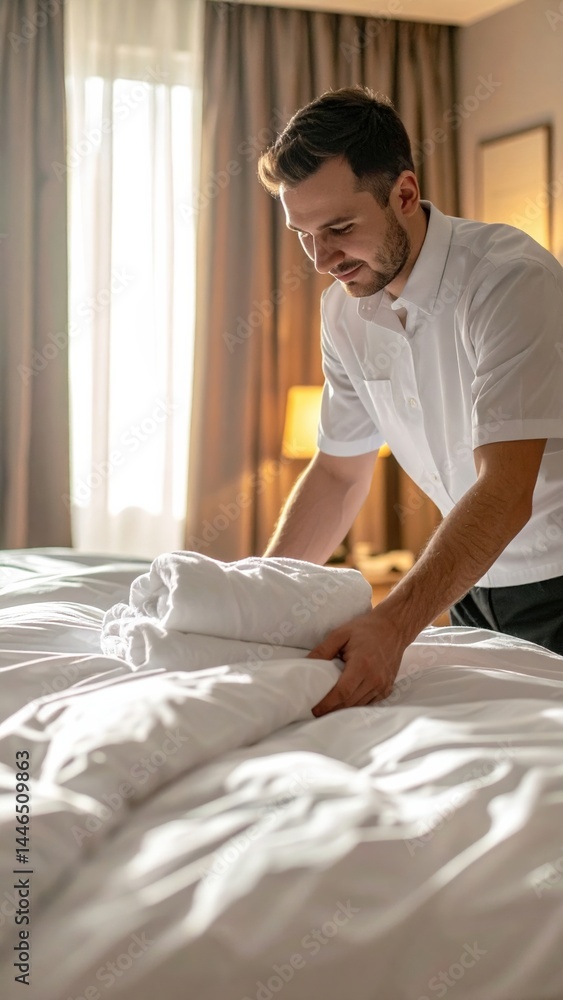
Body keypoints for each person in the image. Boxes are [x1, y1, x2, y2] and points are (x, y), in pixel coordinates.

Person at [256, 86, 563, 717]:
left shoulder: (508, 281)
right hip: (467, 582)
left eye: (340, 229)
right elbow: (338, 474)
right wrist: (259, 598)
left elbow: (507, 489)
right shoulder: (343, 312)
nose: (322, 259)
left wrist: (393, 624)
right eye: (304, 235)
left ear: (403, 193)